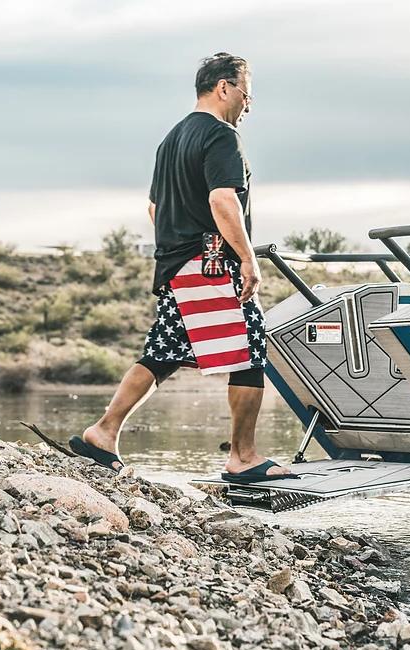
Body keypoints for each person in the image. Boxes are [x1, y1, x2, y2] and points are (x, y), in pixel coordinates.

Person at [69, 53, 294, 483]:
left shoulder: (171, 139)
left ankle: (102, 432)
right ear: (224, 87)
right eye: (247, 92)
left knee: (164, 353)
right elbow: (222, 200)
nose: (249, 104)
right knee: (250, 350)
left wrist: (180, 247)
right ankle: (243, 458)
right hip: (210, 265)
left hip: (177, 266)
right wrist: (246, 258)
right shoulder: (221, 137)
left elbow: (155, 209)